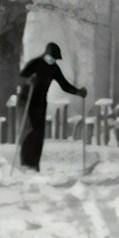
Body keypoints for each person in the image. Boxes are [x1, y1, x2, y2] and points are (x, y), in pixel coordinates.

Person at [17, 43, 87, 171]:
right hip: (26, 101)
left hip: (40, 103)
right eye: (51, 57)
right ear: (46, 54)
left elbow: (64, 85)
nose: (53, 60)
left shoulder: (54, 68)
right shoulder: (35, 63)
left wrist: (78, 92)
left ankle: (34, 165)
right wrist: (28, 81)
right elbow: (20, 78)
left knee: (39, 133)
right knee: (30, 130)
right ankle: (25, 163)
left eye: (54, 58)